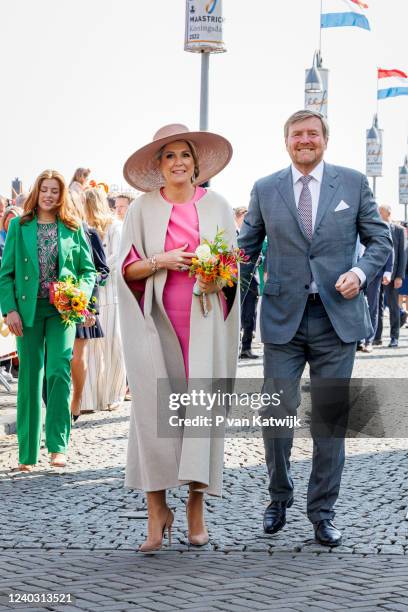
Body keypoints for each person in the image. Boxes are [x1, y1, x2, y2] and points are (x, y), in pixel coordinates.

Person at [238, 110, 392, 547]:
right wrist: (220, 285)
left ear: (325, 139)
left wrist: (360, 274)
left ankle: (322, 511)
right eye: (296, 134)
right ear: (285, 140)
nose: (304, 140)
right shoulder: (266, 188)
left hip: (336, 320)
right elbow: (245, 250)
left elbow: (379, 241)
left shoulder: (353, 182)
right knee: (275, 415)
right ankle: (278, 496)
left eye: (312, 134)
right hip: (283, 320)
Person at [117, 123, 238, 552]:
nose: (178, 162)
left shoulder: (219, 206)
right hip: (155, 324)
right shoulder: (141, 210)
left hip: (203, 324)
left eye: (184, 154)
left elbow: (233, 273)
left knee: (199, 415)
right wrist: (160, 260)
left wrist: (215, 274)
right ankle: (156, 512)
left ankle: (195, 508)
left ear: (196, 162)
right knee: (152, 415)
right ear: (158, 165)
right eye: (168, 156)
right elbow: (125, 272)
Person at [0, 170, 96, 471]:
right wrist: (10, 309)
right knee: (29, 377)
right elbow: (6, 275)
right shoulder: (18, 225)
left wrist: (79, 295)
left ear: (62, 194)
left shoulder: (73, 227)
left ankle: (58, 446)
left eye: (55, 190)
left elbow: (88, 270)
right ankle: (26, 454)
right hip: (26, 313)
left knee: (58, 371)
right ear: (36, 193)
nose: (50, 195)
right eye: (45, 190)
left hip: (62, 312)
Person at [79, 187, 126, 412]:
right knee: (91, 347)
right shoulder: (82, 229)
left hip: (112, 294)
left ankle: (114, 394)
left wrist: (99, 275)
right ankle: (90, 398)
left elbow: (117, 258)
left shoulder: (116, 227)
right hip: (90, 298)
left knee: (114, 345)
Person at [68, 192, 110, 422]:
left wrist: (89, 303)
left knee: (77, 355)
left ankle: (76, 398)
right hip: (55, 303)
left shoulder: (89, 233)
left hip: (83, 303)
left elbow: (103, 270)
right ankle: (56, 402)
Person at [374, 206, 407, 348]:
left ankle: (394, 337)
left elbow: (402, 254)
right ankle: (377, 337)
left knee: (393, 307)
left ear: (388, 213)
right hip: (376, 274)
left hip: (393, 276)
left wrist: (399, 275)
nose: (378, 214)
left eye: (380, 212)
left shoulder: (398, 230)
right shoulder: (375, 227)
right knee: (377, 307)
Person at [234, 206, 259, 359]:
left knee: (250, 315)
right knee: (235, 314)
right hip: (236, 280)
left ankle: (246, 348)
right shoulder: (232, 232)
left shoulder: (255, 234)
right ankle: (234, 347)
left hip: (252, 280)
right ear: (238, 216)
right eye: (245, 215)